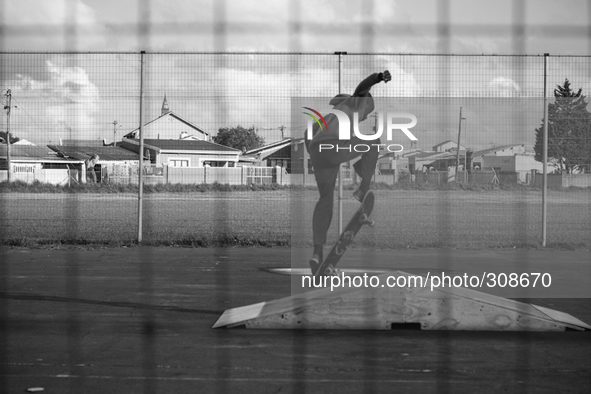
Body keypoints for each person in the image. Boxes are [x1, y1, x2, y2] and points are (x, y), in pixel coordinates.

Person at [305, 70, 391, 273]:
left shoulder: (329, 116)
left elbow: (308, 133)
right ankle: (362, 189)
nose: (365, 116)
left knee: (325, 200)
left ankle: (317, 253)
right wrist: (377, 77)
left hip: (318, 152)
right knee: (373, 142)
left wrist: (316, 154)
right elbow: (363, 87)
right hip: (333, 147)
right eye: (367, 112)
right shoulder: (356, 103)